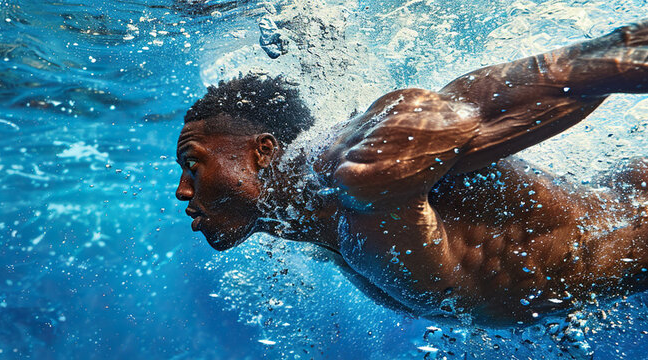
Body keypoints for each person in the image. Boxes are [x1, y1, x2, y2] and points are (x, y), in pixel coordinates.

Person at [175, 19, 648, 327]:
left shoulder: (352, 174)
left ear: (263, 152)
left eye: (193, 164)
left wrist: (626, 57)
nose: (182, 191)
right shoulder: (314, 218)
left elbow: (452, 110)